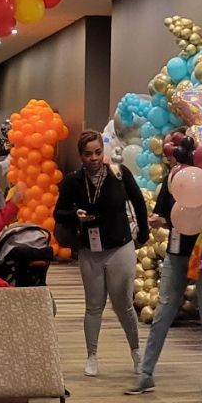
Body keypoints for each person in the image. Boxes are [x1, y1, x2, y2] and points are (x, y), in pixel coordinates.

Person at [55, 128, 148, 376]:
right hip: (90, 249)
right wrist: (76, 215)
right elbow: (58, 213)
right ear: (81, 156)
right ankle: (92, 356)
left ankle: (136, 352)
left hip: (120, 245)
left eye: (98, 152)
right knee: (93, 305)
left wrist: (144, 233)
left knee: (124, 304)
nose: (94, 158)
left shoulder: (118, 174)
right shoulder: (73, 181)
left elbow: (138, 202)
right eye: (88, 154)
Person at [125, 174, 202, 396]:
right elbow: (166, 215)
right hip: (176, 253)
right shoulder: (173, 179)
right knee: (162, 312)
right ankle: (146, 374)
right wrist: (161, 221)